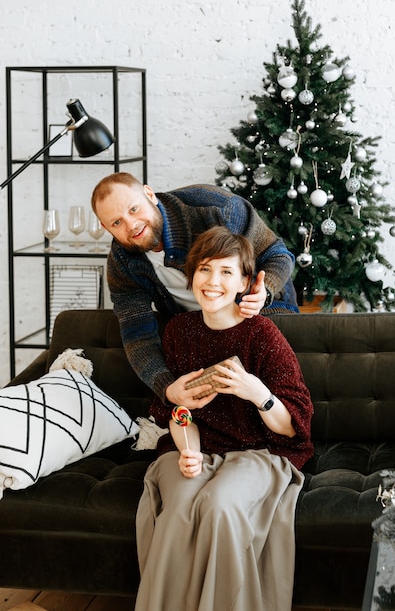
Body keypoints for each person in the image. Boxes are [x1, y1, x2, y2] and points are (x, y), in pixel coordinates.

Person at [134, 226, 313, 611]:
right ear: (192, 276)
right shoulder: (179, 332)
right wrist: (188, 450)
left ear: (245, 282)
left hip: (258, 452)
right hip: (194, 447)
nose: (213, 282)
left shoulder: (262, 334)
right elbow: (178, 412)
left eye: (226, 272)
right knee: (179, 509)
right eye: (204, 270)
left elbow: (294, 424)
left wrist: (256, 391)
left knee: (219, 505)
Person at [91, 172, 299, 401]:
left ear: (149, 195)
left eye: (133, 209)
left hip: (261, 314)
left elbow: (277, 254)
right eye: (117, 222)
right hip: (199, 335)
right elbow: (137, 333)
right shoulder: (122, 261)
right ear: (105, 227)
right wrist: (167, 388)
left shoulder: (215, 208)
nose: (132, 225)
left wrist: (264, 290)